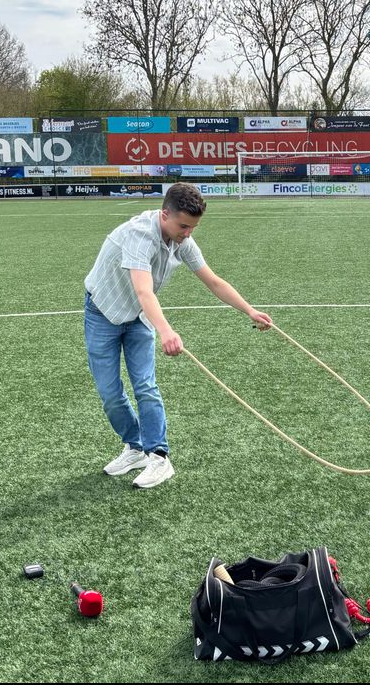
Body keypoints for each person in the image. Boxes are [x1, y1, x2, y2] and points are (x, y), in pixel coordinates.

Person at [84, 182, 272, 489]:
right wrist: (167, 330)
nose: (188, 233)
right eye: (183, 226)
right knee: (110, 393)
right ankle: (134, 447)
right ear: (164, 215)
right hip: (102, 312)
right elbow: (143, 289)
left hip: (139, 317)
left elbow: (213, 282)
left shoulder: (183, 240)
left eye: (193, 228)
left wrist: (249, 311)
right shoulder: (139, 235)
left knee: (145, 385)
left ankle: (158, 456)